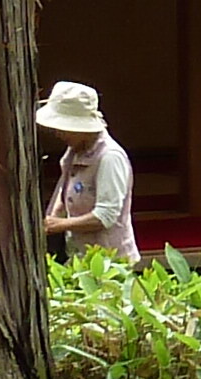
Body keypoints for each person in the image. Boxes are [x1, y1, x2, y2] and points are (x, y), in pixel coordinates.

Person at [37, 77, 140, 264]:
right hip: (78, 256)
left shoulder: (109, 157)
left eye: (64, 128)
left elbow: (105, 216)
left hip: (110, 262)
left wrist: (60, 225)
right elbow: (65, 190)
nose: (58, 133)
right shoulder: (74, 151)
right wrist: (53, 217)